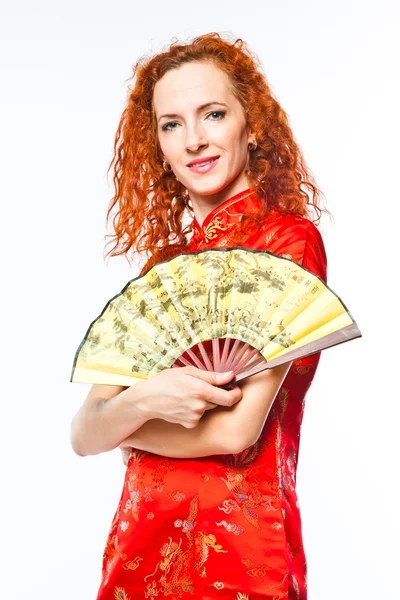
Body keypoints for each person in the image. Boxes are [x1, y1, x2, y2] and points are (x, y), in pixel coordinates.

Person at [70, 32, 331, 600]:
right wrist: (141, 401)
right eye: (171, 124)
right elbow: (85, 433)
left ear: (251, 125)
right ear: (158, 144)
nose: (194, 140)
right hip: (141, 544)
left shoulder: (286, 244)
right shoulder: (161, 271)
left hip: (240, 551)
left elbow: (238, 432)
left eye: (212, 114)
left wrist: (129, 429)